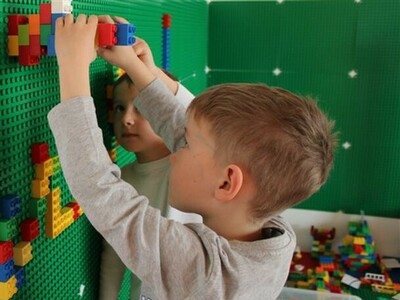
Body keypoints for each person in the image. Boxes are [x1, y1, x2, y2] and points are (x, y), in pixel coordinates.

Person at [49, 15, 337, 299]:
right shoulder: (275, 234)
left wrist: (73, 66)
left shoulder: (204, 273)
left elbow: (100, 190)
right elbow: (179, 128)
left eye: (186, 146)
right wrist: (135, 67)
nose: (174, 151)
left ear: (226, 184)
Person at [99, 60, 202, 299]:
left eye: (143, 108)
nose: (126, 119)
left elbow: (201, 120)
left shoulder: (189, 164)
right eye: (119, 108)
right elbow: (114, 256)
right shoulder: (121, 179)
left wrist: (150, 72)